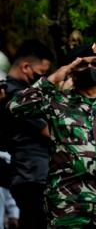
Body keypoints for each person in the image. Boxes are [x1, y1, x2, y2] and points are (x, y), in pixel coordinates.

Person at [7, 42, 96, 228]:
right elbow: (15, 107)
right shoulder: (56, 102)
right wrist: (53, 79)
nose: (91, 68)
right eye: (83, 64)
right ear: (72, 69)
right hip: (68, 201)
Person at [0, 39, 54, 229]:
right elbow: (50, 131)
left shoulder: (17, 91)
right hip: (29, 176)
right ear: (25, 67)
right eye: (41, 74)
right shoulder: (13, 94)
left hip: (31, 176)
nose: (43, 79)